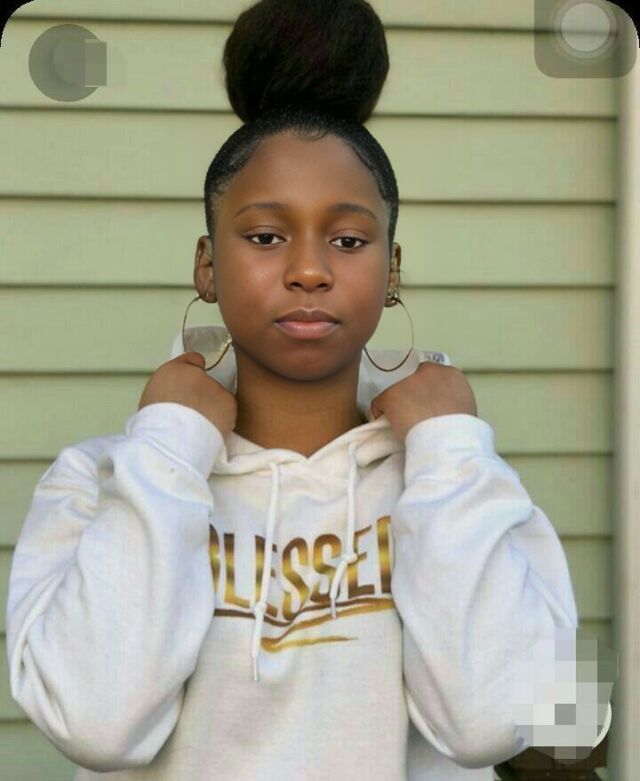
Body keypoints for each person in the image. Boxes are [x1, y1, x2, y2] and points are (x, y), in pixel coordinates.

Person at [5, 1, 610, 779]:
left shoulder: (460, 478)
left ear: (392, 269)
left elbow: (497, 722)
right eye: (265, 236)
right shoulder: (99, 483)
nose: (310, 269)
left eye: (349, 239)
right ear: (206, 264)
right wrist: (168, 445)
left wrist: (451, 450)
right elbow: (97, 725)